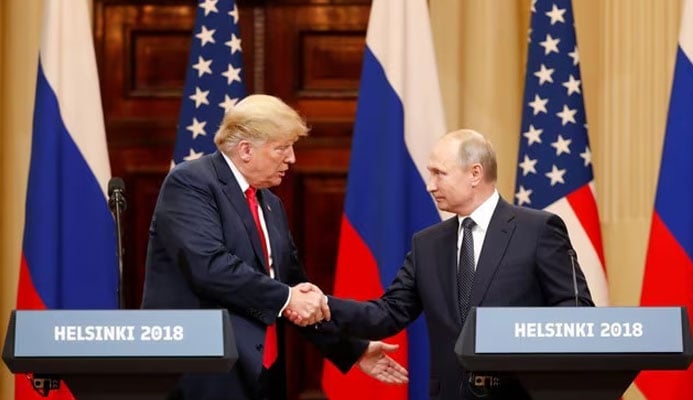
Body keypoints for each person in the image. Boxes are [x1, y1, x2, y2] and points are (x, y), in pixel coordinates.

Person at [141, 94, 408, 400]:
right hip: (203, 372)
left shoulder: (270, 204)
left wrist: (352, 349)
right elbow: (209, 267)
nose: (292, 158)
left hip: (262, 373)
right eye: (282, 148)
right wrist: (289, 297)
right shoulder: (191, 183)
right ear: (245, 150)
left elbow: (293, 290)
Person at [298, 129, 594, 400]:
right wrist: (323, 304)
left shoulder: (538, 229)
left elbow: (575, 311)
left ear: (475, 173)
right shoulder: (427, 244)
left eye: (439, 174)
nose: (430, 185)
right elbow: (386, 314)